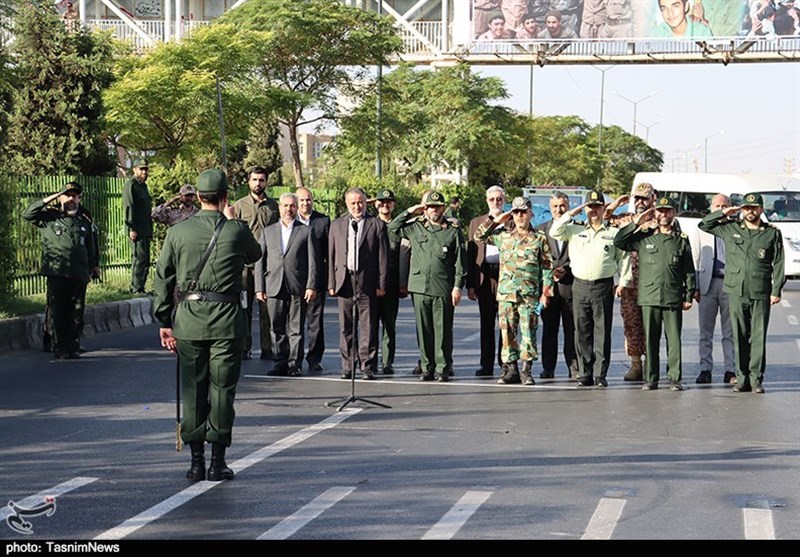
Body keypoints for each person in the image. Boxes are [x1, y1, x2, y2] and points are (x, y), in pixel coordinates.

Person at [154, 168, 261, 482]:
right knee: (222, 391)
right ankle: (218, 461)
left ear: (197, 197)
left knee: (194, 390)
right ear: (225, 197)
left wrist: (164, 320)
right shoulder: (236, 230)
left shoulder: (178, 232)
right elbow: (255, 254)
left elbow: (163, 278)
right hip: (227, 322)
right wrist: (231, 220)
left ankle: (196, 462)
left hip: (188, 320)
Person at [698, 192, 785, 394]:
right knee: (739, 334)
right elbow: (704, 225)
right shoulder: (731, 228)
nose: (750, 211)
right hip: (736, 290)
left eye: (754, 208)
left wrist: (776, 289)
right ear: (741, 209)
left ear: (761, 210)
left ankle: (756, 378)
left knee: (758, 336)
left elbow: (779, 262)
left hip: (760, 290)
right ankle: (741, 377)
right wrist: (724, 213)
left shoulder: (771, 232)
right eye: (746, 208)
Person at [614, 197, 696, 391]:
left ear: (673, 213)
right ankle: (651, 378)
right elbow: (620, 241)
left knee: (674, 341)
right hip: (649, 296)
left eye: (667, 211)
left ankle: (674, 378)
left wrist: (688, 295)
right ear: (655, 213)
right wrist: (637, 221)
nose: (663, 215)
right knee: (650, 340)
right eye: (660, 211)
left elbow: (689, 270)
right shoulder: (644, 236)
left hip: (672, 296)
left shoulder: (681, 239)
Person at [550, 189, 630, 388]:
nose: (593, 210)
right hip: (580, 286)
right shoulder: (575, 228)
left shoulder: (613, 232)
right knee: (581, 331)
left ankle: (600, 374)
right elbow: (554, 231)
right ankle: (584, 372)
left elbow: (624, 258)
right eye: (590, 207)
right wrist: (573, 212)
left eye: (596, 207)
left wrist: (623, 281)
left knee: (602, 332)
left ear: (604, 208)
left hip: (603, 286)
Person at [388, 190, 466, 383]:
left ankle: (443, 367)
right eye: (430, 207)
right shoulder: (416, 227)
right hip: (419, 286)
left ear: (443, 208)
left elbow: (460, 263)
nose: (434, 210)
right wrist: (410, 211)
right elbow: (392, 228)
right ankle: (427, 367)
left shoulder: (453, 230)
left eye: (437, 207)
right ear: (425, 208)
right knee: (423, 330)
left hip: (443, 286)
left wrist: (457, 286)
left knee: (443, 330)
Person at [476, 197, 553, 386]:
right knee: (507, 333)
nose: (520, 216)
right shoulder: (504, 235)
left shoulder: (539, 238)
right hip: (507, 294)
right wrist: (497, 220)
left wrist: (546, 290)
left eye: (523, 212)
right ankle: (510, 369)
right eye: (516, 212)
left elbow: (547, 266)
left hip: (529, 295)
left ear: (530, 214)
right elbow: (479, 236)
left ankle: (526, 370)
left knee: (528, 333)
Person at [23, 182, 99, 360]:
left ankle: (73, 345)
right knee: (58, 311)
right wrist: (52, 197)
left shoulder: (84, 219)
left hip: (79, 273)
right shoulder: (49, 217)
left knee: (76, 313)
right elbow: (28, 214)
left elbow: (91, 244)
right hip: (57, 273)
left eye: (75, 196)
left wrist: (94, 266)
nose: (71, 199)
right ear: (60, 198)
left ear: (79, 199)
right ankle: (59, 347)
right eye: (68, 195)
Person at [254, 192, 318, 378]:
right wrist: (259, 288)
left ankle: (294, 364)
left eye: (292, 206)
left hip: (297, 286)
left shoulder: (306, 231)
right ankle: (279, 362)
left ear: (297, 208)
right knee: (276, 328)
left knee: (296, 329)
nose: (288, 209)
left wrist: (311, 285)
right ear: (279, 208)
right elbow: (260, 260)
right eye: (285, 206)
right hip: (273, 285)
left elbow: (313, 261)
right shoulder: (268, 231)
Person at [328, 187, 388, 380]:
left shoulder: (376, 224)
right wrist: (331, 282)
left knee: (368, 326)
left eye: (360, 202)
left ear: (366, 202)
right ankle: (348, 365)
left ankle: (367, 365)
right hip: (344, 280)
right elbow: (331, 256)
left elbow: (383, 258)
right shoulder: (337, 225)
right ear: (347, 204)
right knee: (346, 326)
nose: (357, 206)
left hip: (368, 282)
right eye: (353, 203)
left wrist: (381, 284)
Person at [606, 182, 658, 382]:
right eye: (637, 198)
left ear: (653, 198)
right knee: (631, 324)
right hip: (629, 282)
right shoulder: (625, 219)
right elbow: (602, 219)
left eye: (644, 198)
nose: (640, 202)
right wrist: (617, 203)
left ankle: (651, 365)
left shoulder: (658, 220)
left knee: (651, 325)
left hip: (652, 282)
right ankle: (636, 364)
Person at [232, 166, 279, 361]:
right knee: (244, 308)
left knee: (267, 309)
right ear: (248, 182)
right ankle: (244, 347)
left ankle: (268, 349)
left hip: (267, 265)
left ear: (266, 182)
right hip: (245, 266)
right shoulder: (239, 206)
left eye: (261, 180)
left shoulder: (274, 207)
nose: (258, 183)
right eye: (254, 180)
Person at [690, 194, 736, 385]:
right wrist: (695, 287)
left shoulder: (734, 228)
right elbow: (695, 257)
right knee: (705, 331)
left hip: (729, 284)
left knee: (730, 331)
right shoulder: (702, 228)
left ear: (730, 207)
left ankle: (731, 370)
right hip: (708, 283)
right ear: (711, 207)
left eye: (724, 205)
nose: (720, 208)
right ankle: (705, 369)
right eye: (717, 205)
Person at [536, 192, 579, 380]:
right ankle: (548, 368)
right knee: (549, 331)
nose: (559, 210)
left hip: (571, 287)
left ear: (568, 206)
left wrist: (566, 270)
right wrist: (552, 271)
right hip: (549, 288)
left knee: (572, 331)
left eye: (562, 206)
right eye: (555, 206)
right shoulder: (540, 230)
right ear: (550, 207)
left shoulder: (577, 229)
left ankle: (574, 367)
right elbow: (536, 259)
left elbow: (581, 256)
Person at [467, 186, 506, 377]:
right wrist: (471, 285)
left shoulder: (511, 221)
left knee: (506, 324)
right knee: (487, 323)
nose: (496, 203)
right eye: (492, 200)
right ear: (486, 201)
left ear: (504, 200)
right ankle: (486, 364)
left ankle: (505, 363)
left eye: (499, 199)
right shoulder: (476, 223)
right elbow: (471, 254)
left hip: (506, 276)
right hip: (485, 277)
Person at [374, 189, 411, 375]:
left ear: (394, 205)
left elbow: (404, 257)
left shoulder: (400, 228)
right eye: (381, 202)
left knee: (389, 326)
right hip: (372, 285)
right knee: (370, 326)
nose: (385, 205)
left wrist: (403, 284)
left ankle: (387, 362)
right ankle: (370, 362)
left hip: (392, 283)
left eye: (388, 202)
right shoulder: (370, 225)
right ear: (376, 204)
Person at [296, 187, 330, 372]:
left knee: (315, 322)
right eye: (301, 200)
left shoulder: (323, 221)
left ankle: (315, 358)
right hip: (294, 280)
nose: (305, 203)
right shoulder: (288, 221)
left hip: (316, 280)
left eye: (308, 200)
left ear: (313, 201)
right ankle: (295, 359)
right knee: (295, 323)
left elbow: (328, 253)